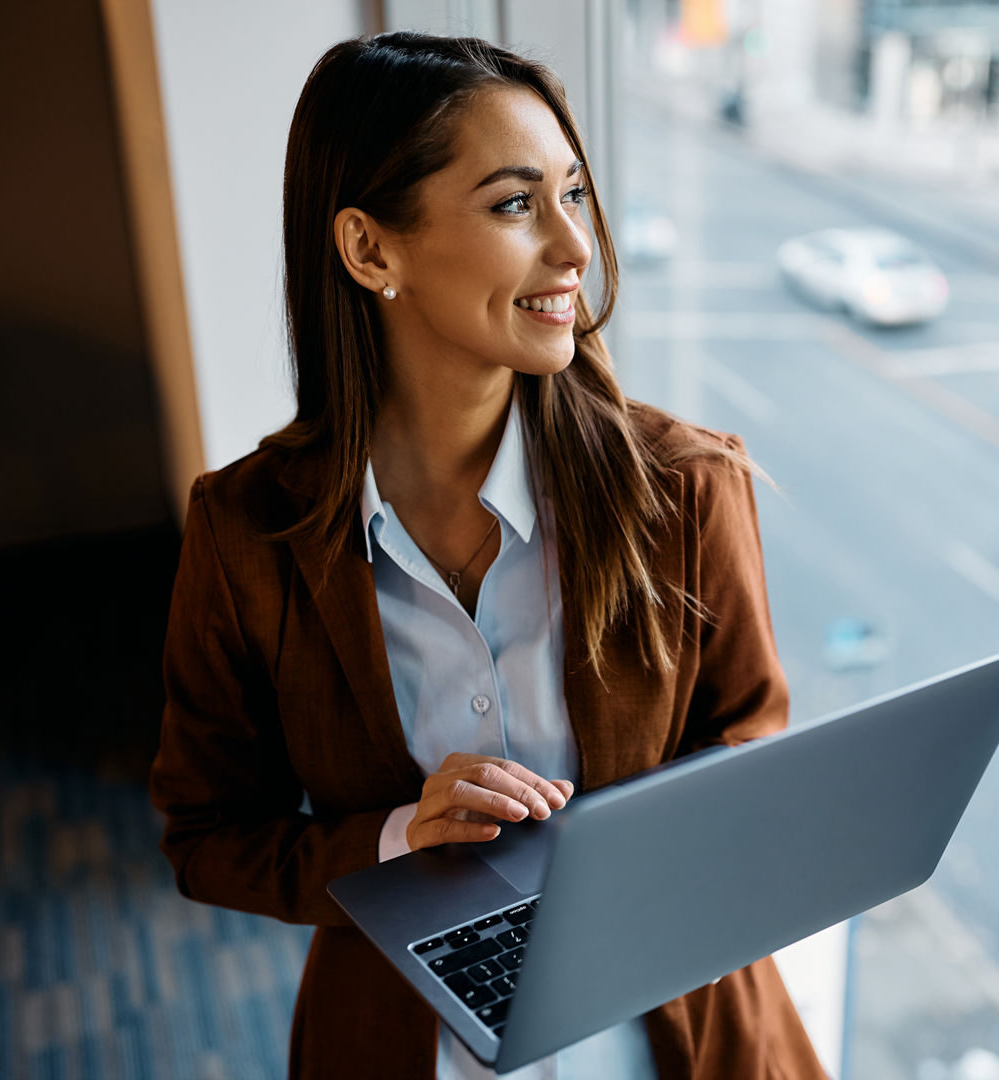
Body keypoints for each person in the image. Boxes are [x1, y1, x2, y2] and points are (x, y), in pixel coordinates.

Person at [148, 31, 827, 1080]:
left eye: (575, 195)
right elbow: (205, 835)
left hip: (685, 1043)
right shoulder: (248, 535)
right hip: (399, 1042)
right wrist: (393, 841)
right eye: (516, 204)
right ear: (373, 251)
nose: (574, 248)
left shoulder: (687, 487)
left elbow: (756, 767)